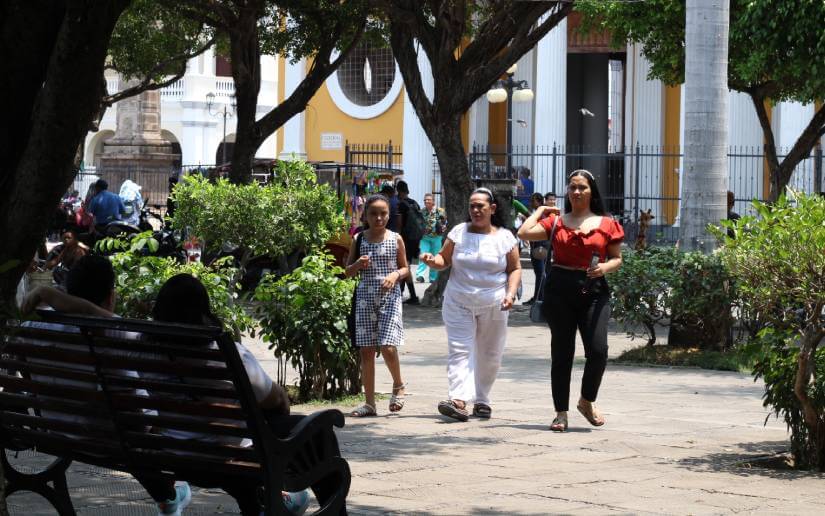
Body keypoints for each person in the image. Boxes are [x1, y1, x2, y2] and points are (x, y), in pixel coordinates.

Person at [518, 170, 624, 432]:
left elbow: (616, 259)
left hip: (594, 289)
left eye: (582, 187)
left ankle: (586, 400)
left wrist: (604, 268)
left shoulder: (606, 223)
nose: (577, 192)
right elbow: (524, 232)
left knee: (598, 351)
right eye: (572, 187)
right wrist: (541, 210)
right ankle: (560, 413)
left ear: (591, 191)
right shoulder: (556, 222)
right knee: (562, 353)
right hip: (560, 290)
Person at [420, 187, 521, 422]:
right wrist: (432, 261)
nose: (475, 210)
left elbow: (515, 268)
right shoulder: (459, 232)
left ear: (492, 209)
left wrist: (511, 294)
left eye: (480, 206)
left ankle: (482, 400)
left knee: (490, 354)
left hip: (495, 304)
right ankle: (458, 399)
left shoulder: (505, 237)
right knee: (459, 350)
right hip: (458, 302)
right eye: (472, 206)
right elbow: (444, 259)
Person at [345, 194, 409, 417]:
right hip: (364, 297)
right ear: (366, 216)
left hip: (389, 297)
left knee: (388, 345)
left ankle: (398, 385)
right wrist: (357, 264)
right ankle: (370, 403)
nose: (378, 218)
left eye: (383, 213)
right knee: (366, 351)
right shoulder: (358, 239)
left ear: (389, 215)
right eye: (373, 213)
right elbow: (347, 271)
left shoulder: (396, 238)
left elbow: (405, 268)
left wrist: (395, 274)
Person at [523, 193, 557, 306]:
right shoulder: (545, 213)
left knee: (540, 273)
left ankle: (538, 298)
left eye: (533, 201)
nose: (531, 203)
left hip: (540, 247)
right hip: (543, 246)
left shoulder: (541, 214)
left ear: (538, 201)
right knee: (543, 273)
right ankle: (541, 297)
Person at [396, 180, 421, 305]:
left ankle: (405, 295)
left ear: (398, 190)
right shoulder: (415, 203)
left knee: (404, 266)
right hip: (414, 239)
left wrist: (397, 237)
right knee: (406, 265)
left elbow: (399, 224)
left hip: (405, 239)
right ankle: (410, 295)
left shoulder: (401, 204)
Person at [415, 193, 447, 283]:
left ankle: (433, 277)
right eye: (425, 200)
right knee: (423, 255)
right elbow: (418, 223)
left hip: (437, 237)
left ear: (433, 201)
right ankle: (420, 275)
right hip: (425, 238)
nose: (426, 201)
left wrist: (443, 226)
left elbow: (444, 222)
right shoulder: (422, 211)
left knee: (435, 257)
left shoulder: (440, 211)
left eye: (428, 200)